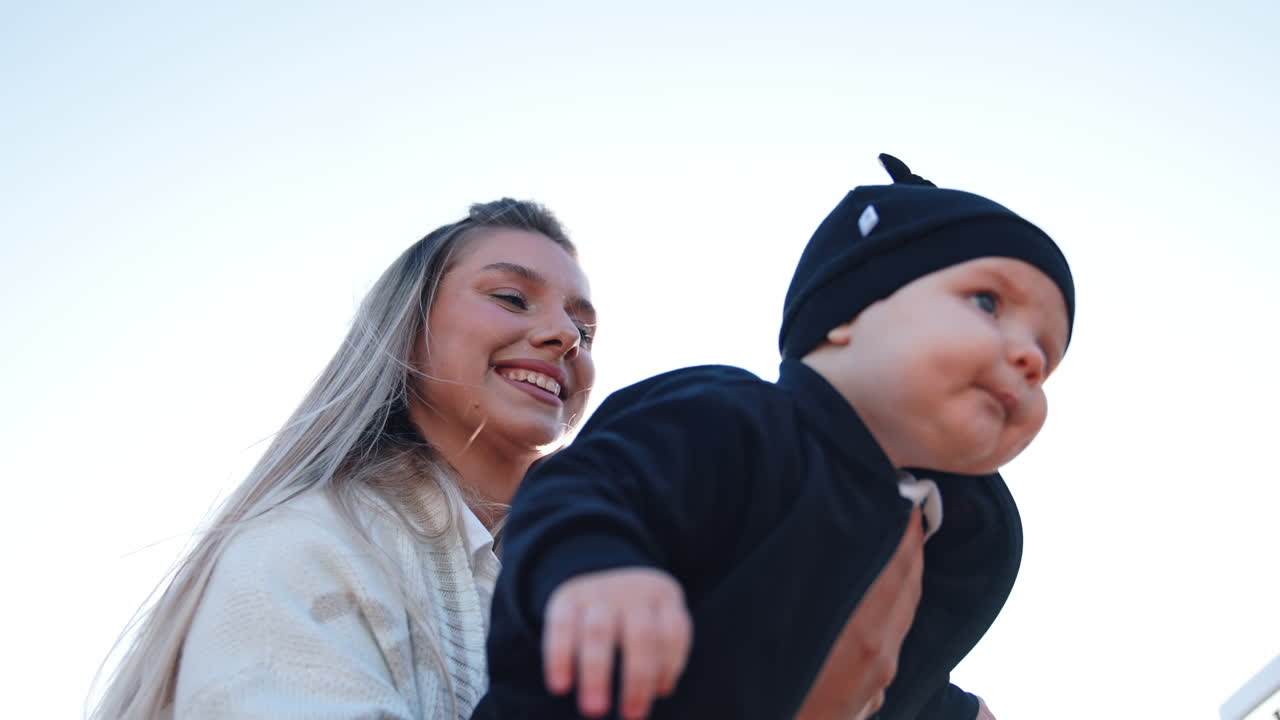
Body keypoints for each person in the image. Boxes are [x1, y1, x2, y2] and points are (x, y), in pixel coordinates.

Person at [473, 155, 1074, 720]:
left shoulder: (927, 532)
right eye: (988, 302)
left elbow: (857, 659)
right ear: (846, 315)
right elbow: (587, 486)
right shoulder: (736, 418)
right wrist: (596, 566)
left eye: (1047, 358)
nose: (1027, 356)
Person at [89, 198, 599, 719]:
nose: (566, 339)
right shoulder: (300, 548)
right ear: (408, 325)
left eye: (585, 331)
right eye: (513, 298)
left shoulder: (588, 589)